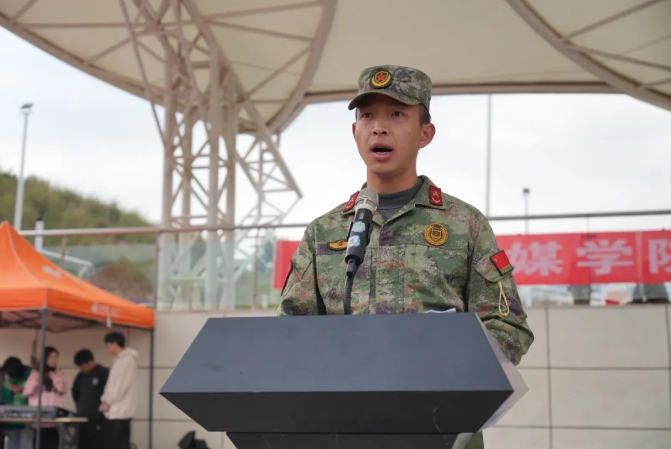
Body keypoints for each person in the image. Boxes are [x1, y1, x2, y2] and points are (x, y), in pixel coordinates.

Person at [277, 65, 535, 449]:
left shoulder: (464, 224)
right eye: (368, 116)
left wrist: (448, 363)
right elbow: (290, 333)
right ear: (354, 132)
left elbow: (509, 326)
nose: (379, 128)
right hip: (347, 429)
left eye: (397, 114)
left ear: (425, 134)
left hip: (443, 426)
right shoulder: (323, 232)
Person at [100, 331, 138, 449]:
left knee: (118, 443)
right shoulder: (119, 360)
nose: (108, 349)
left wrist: (107, 400)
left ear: (114, 344)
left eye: (108, 345)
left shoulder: (127, 360)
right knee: (113, 443)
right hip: (115, 411)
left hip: (120, 411)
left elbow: (120, 386)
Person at [23, 347, 67, 449]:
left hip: (53, 418)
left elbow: (63, 390)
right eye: (51, 358)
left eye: (56, 357)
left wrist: (55, 378)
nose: (54, 360)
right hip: (38, 416)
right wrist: (35, 380)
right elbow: (26, 392)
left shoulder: (58, 372)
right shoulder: (35, 372)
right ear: (44, 358)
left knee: (53, 444)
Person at [72, 349, 109, 449]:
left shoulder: (103, 373)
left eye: (83, 365)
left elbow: (110, 393)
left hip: (99, 418)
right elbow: (75, 392)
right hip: (82, 417)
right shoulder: (80, 376)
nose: (82, 368)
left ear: (90, 361)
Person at [1, 357, 33, 449]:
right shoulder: (8, 379)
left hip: (28, 419)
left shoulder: (32, 375)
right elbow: (4, 398)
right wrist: (10, 391)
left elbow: (37, 392)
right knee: (12, 444)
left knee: (26, 443)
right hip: (11, 420)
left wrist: (23, 390)